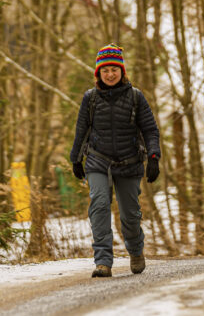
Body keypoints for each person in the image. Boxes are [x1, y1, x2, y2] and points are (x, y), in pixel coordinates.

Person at [70, 43, 161, 278]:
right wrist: (76, 159)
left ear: (122, 71)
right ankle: (103, 261)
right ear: (98, 73)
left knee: (130, 214)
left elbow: (150, 130)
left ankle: (136, 250)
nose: (110, 74)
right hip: (98, 161)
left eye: (114, 70)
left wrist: (154, 157)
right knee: (99, 205)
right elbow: (81, 130)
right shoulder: (90, 98)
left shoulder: (135, 97)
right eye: (105, 70)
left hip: (129, 162)